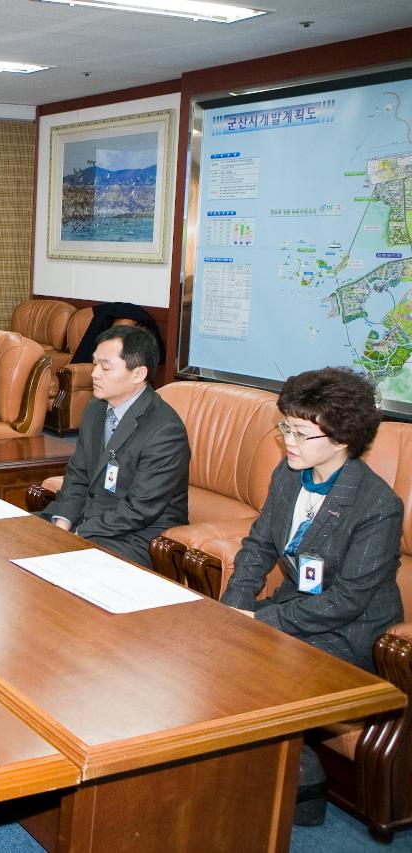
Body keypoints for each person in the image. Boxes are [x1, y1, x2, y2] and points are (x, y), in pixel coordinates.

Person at [220, 367, 403, 825]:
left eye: (300, 433)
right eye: (284, 427)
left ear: (341, 439)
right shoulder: (289, 474)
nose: (287, 442)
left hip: (349, 635)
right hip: (294, 610)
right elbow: (260, 543)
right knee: (211, 647)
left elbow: (345, 602)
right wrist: (234, 607)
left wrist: (259, 623)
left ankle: (305, 784)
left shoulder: (377, 506)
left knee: (251, 667)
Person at [40, 325, 189, 565]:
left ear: (138, 374)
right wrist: (62, 523)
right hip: (88, 521)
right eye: (95, 363)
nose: (94, 373)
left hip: (135, 536)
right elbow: (78, 474)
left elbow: (139, 509)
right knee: (18, 534)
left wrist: (78, 535)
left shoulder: (164, 430)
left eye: (106, 367)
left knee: (63, 564)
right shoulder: (95, 410)